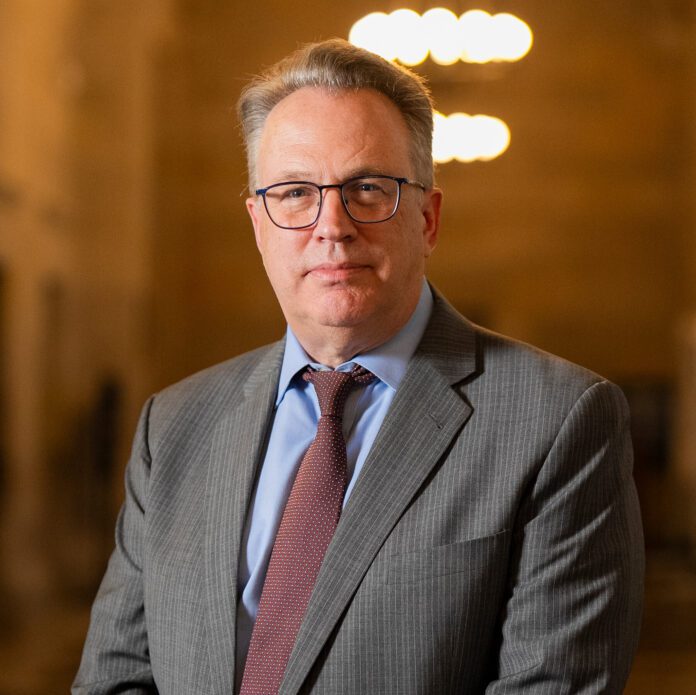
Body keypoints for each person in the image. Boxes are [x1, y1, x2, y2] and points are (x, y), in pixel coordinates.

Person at [73, 38, 644, 694]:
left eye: (368, 189)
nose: (332, 226)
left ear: (428, 219)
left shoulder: (559, 422)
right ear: (258, 224)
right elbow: (116, 677)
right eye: (295, 192)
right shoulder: (174, 424)